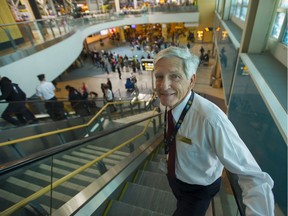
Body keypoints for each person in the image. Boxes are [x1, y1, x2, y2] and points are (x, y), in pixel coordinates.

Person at [153, 46, 274, 216]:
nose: (164, 86)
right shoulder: (168, 101)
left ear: (192, 80)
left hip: (198, 191)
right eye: (159, 76)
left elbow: (252, 176)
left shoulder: (211, 120)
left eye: (175, 76)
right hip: (176, 180)